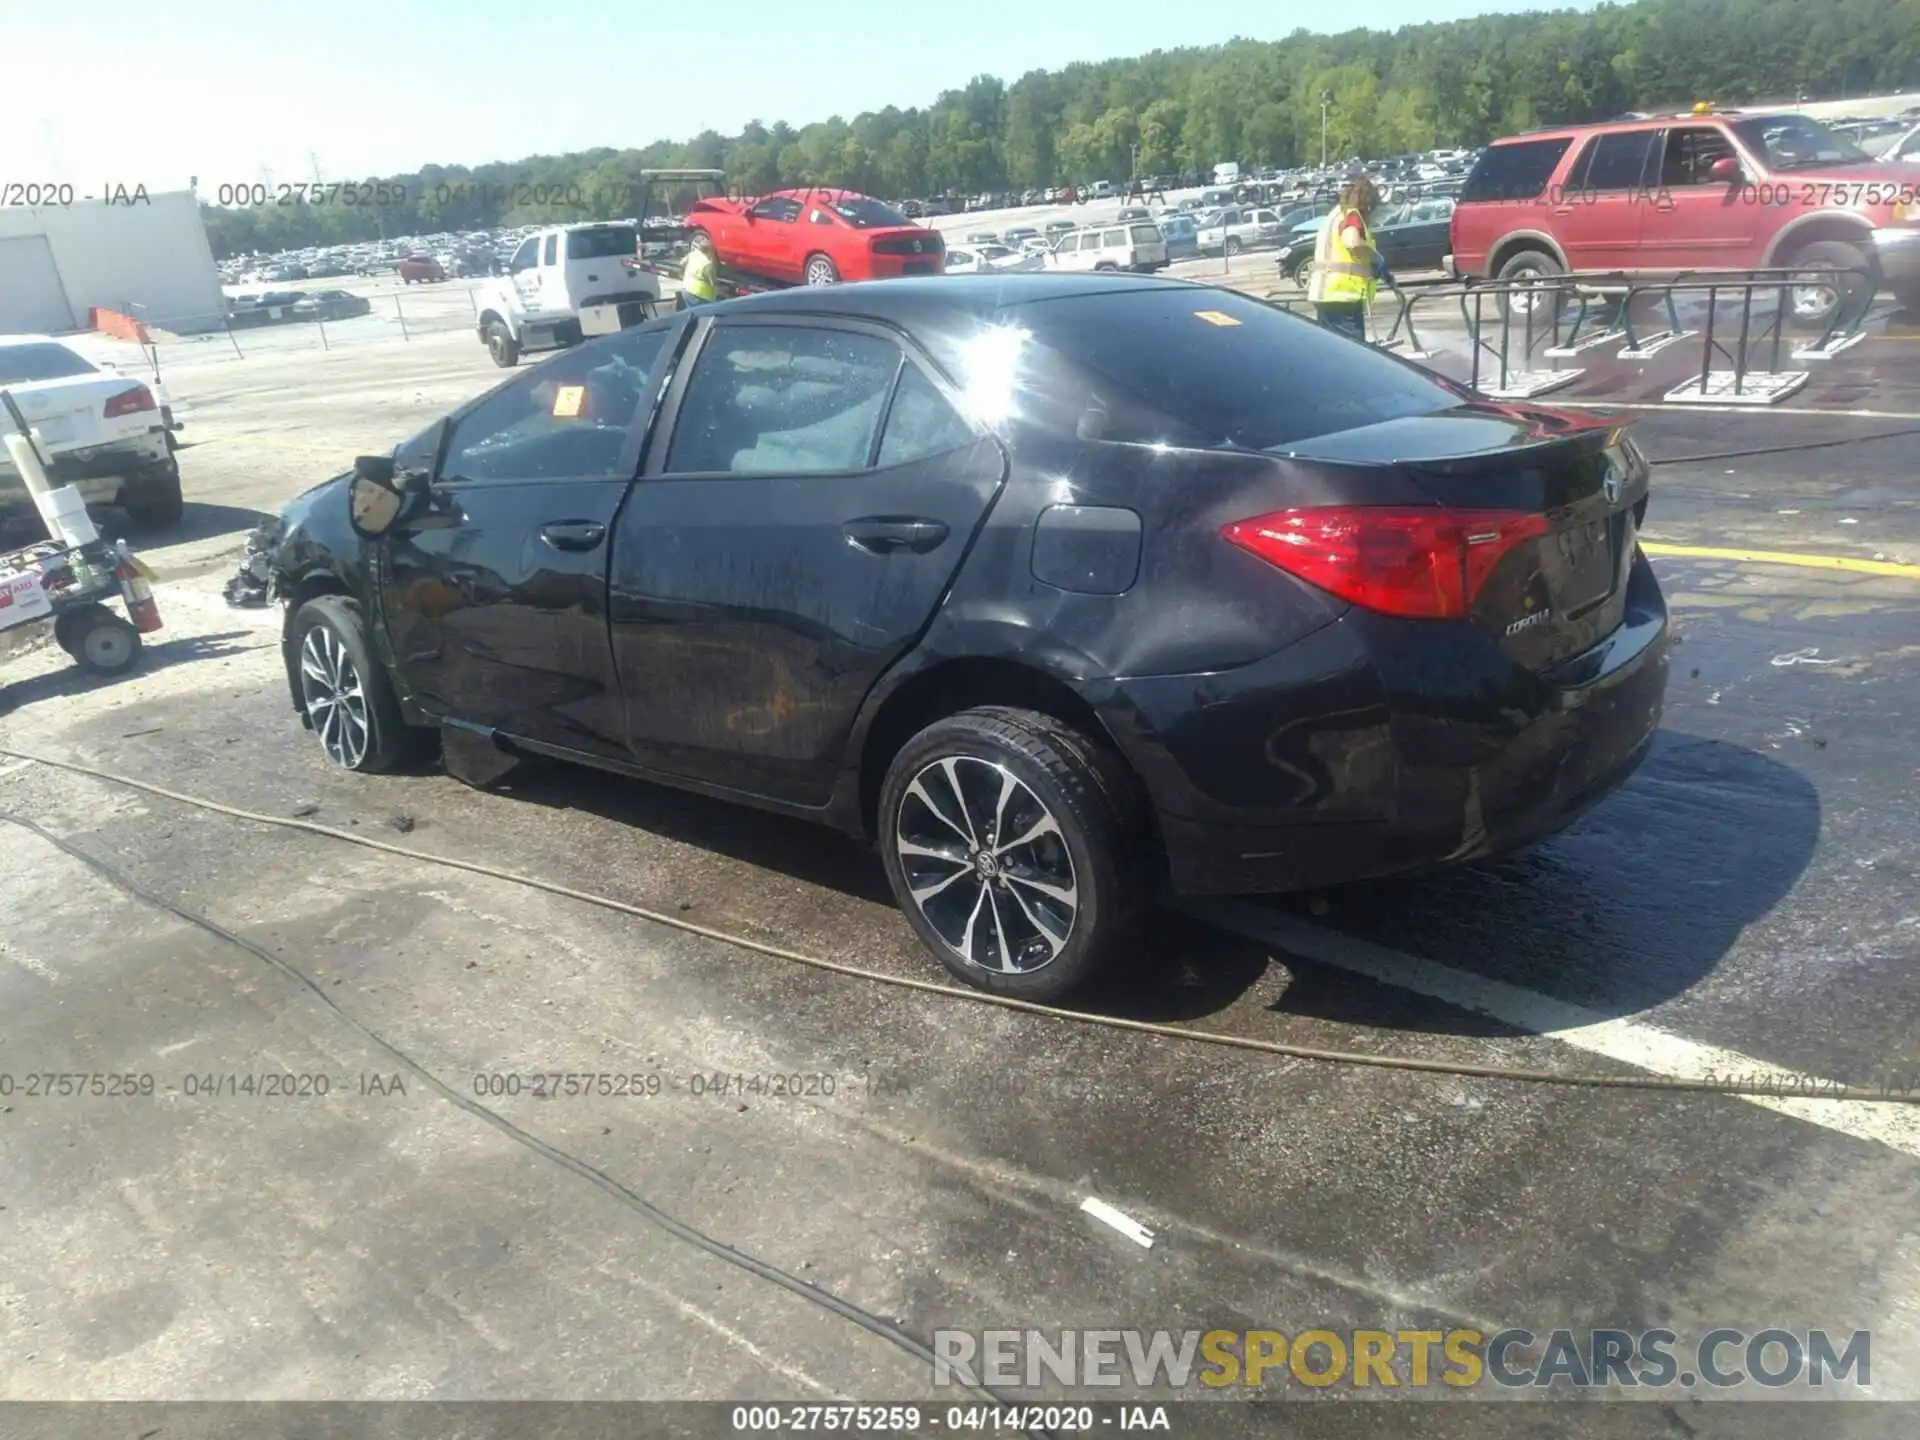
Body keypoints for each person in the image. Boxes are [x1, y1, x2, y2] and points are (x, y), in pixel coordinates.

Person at [1306, 176, 1382, 342]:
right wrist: (1376, 259)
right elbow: (1352, 242)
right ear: (1366, 202)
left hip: (1325, 295)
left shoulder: (1334, 216)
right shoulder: (1352, 215)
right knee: (1354, 354)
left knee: (1333, 351)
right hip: (1343, 297)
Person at [678, 241, 718, 310]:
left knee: (692, 314)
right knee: (704, 318)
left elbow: (681, 263)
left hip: (686, 290)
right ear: (709, 250)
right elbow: (714, 284)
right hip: (700, 297)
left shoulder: (693, 254)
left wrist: (681, 273)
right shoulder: (708, 265)